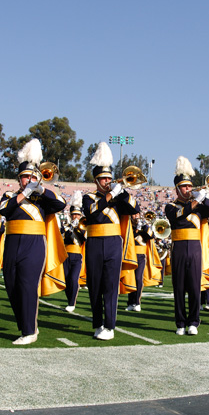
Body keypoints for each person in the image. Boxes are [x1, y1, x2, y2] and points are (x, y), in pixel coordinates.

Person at [0, 139, 66, 345]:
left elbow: (60, 203)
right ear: (19, 179)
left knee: (28, 286)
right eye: (25, 177)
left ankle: (29, 331)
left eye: (32, 177)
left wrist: (41, 190)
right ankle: (25, 325)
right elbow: (3, 210)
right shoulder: (10, 195)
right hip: (11, 244)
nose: (28, 180)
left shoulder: (43, 199)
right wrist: (24, 194)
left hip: (34, 245)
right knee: (11, 285)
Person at [83, 141, 140, 340]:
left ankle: (110, 326)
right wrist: (110, 195)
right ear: (96, 181)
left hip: (114, 244)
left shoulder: (118, 197)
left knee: (110, 286)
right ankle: (98, 323)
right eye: (103, 179)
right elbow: (92, 213)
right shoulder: (88, 198)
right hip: (94, 244)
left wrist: (121, 191)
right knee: (94, 286)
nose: (107, 182)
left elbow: (135, 208)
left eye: (109, 178)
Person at [165, 156, 209, 335]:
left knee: (195, 287)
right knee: (179, 287)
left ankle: (194, 322)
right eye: (184, 186)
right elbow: (178, 215)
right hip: (179, 248)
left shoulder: (198, 205)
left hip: (196, 249)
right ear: (177, 189)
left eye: (190, 186)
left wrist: (205, 197)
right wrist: (196, 201)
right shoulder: (170, 206)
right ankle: (180, 323)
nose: (188, 189)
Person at [126, 213, 155, 312]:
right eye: (134, 214)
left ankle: (137, 302)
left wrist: (144, 227)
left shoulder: (144, 226)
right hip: (130, 255)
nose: (136, 216)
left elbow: (152, 236)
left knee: (138, 278)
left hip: (141, 256)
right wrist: (136, 229)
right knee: (130, 279)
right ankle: (130, 302)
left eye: (137, 214)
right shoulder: (128, 225)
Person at [62, 192, 86, 312]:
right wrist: (69, 227)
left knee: (73, 279)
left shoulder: (83, 226)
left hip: (77, 255)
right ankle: (69, 300)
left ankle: (72, 303)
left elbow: (84, 238)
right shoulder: (66, 225)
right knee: (66, 280)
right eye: (74, 215)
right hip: (66, 255)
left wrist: (77, 228)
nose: (76, 217)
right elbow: (63, 237)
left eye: (78, 215)